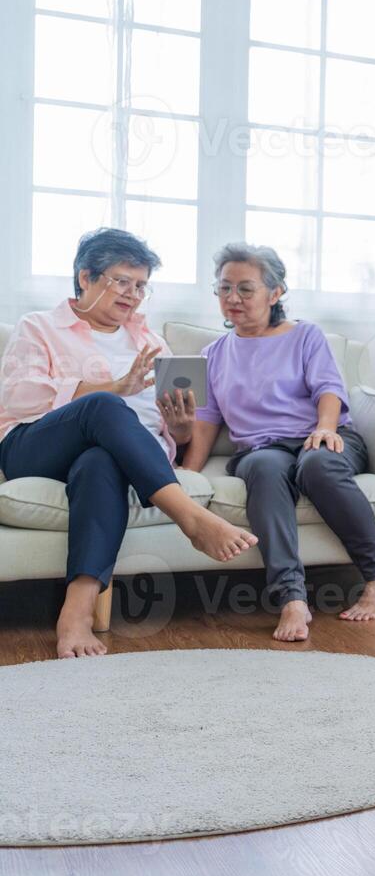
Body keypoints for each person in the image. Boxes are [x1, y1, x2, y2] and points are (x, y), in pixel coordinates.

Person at [0, 228, 258, 658]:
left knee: (101, 461)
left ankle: (77, 613)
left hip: (114, 455)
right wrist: (113, 386)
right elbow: (19, 397)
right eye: (122, 281)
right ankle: (190, 518)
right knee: (103, 406)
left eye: (141, 286)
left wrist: (179, 429)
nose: (133, 294)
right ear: (86, 277)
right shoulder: (38, 327)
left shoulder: (151, 342)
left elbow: (165, 432)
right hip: (35, 447)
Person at [179, 244, 375, 642]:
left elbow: (329, 388)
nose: (232, 299)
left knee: (317, 464)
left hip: (324, 435)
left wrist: (326, 428)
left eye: (245, 289)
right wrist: (186, 475)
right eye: (224, 288)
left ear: (275, 293)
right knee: (263, 467)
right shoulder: (212, 355)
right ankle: (292, 599)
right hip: (263, 450)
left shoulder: (306, 335)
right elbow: (207, 422)